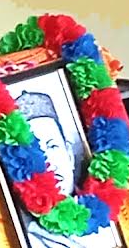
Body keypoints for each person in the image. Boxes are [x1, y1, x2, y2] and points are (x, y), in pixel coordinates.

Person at [16, 91, 116, 248]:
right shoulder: (30, 238)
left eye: (53, 146)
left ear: (69, 154)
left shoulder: (108, 213)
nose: (49, 164)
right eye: (37, 152)